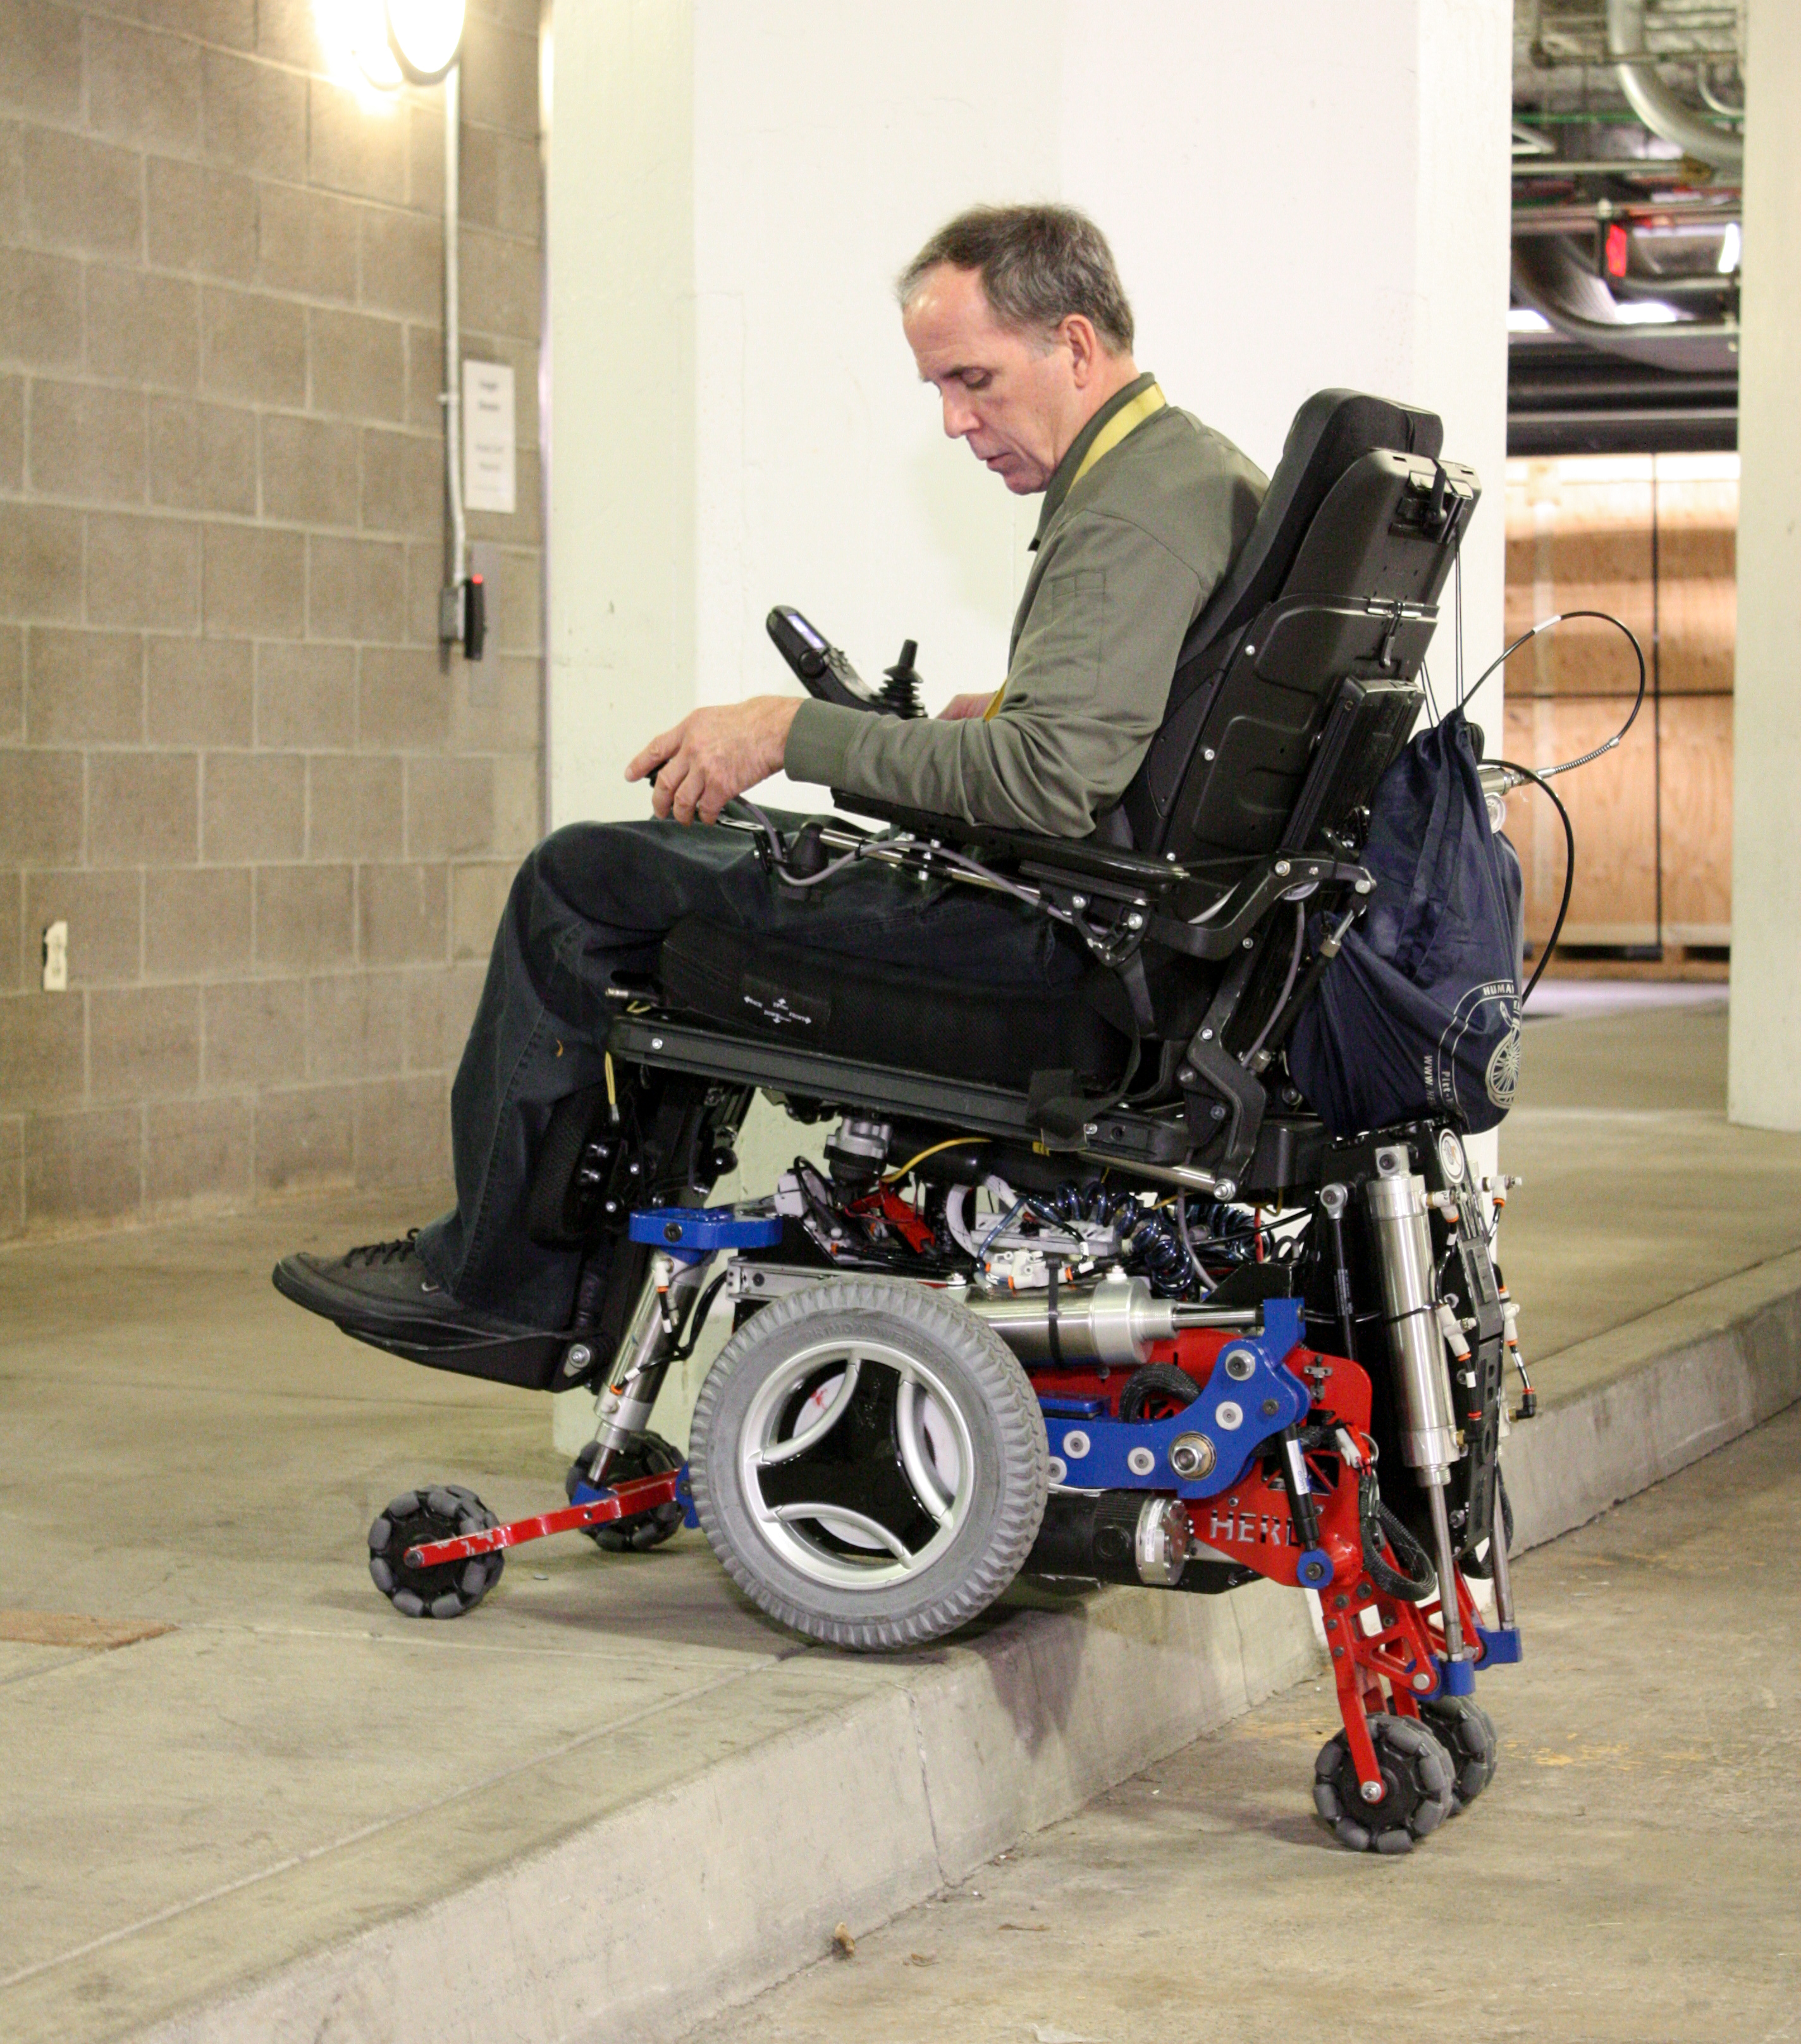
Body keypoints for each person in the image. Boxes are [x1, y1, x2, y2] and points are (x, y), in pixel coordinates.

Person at [274, 204, 1267, 1352]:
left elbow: (1047, 782)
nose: (954, 420)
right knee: (706, 853)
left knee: (587, 881)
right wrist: (999, 710)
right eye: (939, 389)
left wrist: (788, 729)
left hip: (1055, 950)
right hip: (1121, 937)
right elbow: (1136, 728)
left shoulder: (1130, 508)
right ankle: (562, 1289)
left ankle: (501, 1291)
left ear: (1076, 345)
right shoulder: (1191, 472)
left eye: (974, 379)